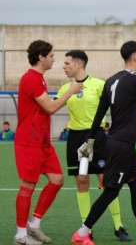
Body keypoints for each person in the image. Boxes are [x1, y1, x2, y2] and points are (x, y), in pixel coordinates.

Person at [71, 41, 136, 245]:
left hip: (117, 143)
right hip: (122, 145)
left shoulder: (112, 80)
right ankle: (81, 234)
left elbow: (100, 113)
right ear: (135, 56)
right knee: (111, 191)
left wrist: (90, 140)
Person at [14, 40, 83, 245]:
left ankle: (33, 226)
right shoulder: (31, 79)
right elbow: (50, 108)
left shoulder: (40, 78)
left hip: (43, 143)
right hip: (29, 142)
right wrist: (71, 90)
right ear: (41, 57)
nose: (55, 59)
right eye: (52, 56)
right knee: (27, 187)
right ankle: (20, 235)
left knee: (57, 180)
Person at [58, 50, 131, 241]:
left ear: (79, 64)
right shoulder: (65, 88)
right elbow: (53, 106)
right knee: (82, 182)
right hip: (75, 138)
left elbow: (116, 106)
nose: (64, 67)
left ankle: (119, 226)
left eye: (67, 63)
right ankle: (86, 230)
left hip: (97, 137)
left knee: (106, 181)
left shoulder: (99, 85)